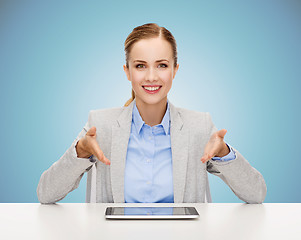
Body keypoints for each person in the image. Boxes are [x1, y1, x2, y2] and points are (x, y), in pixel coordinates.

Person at [37, 23, 267, 204]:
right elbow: (46, 194)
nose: (151, 77)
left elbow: (256, 194)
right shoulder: (101, 126)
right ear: (127, 71)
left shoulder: (199, 126)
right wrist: (80, 151)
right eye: (140, 66)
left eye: (162, 65)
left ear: (175, 70)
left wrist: (224, 153)